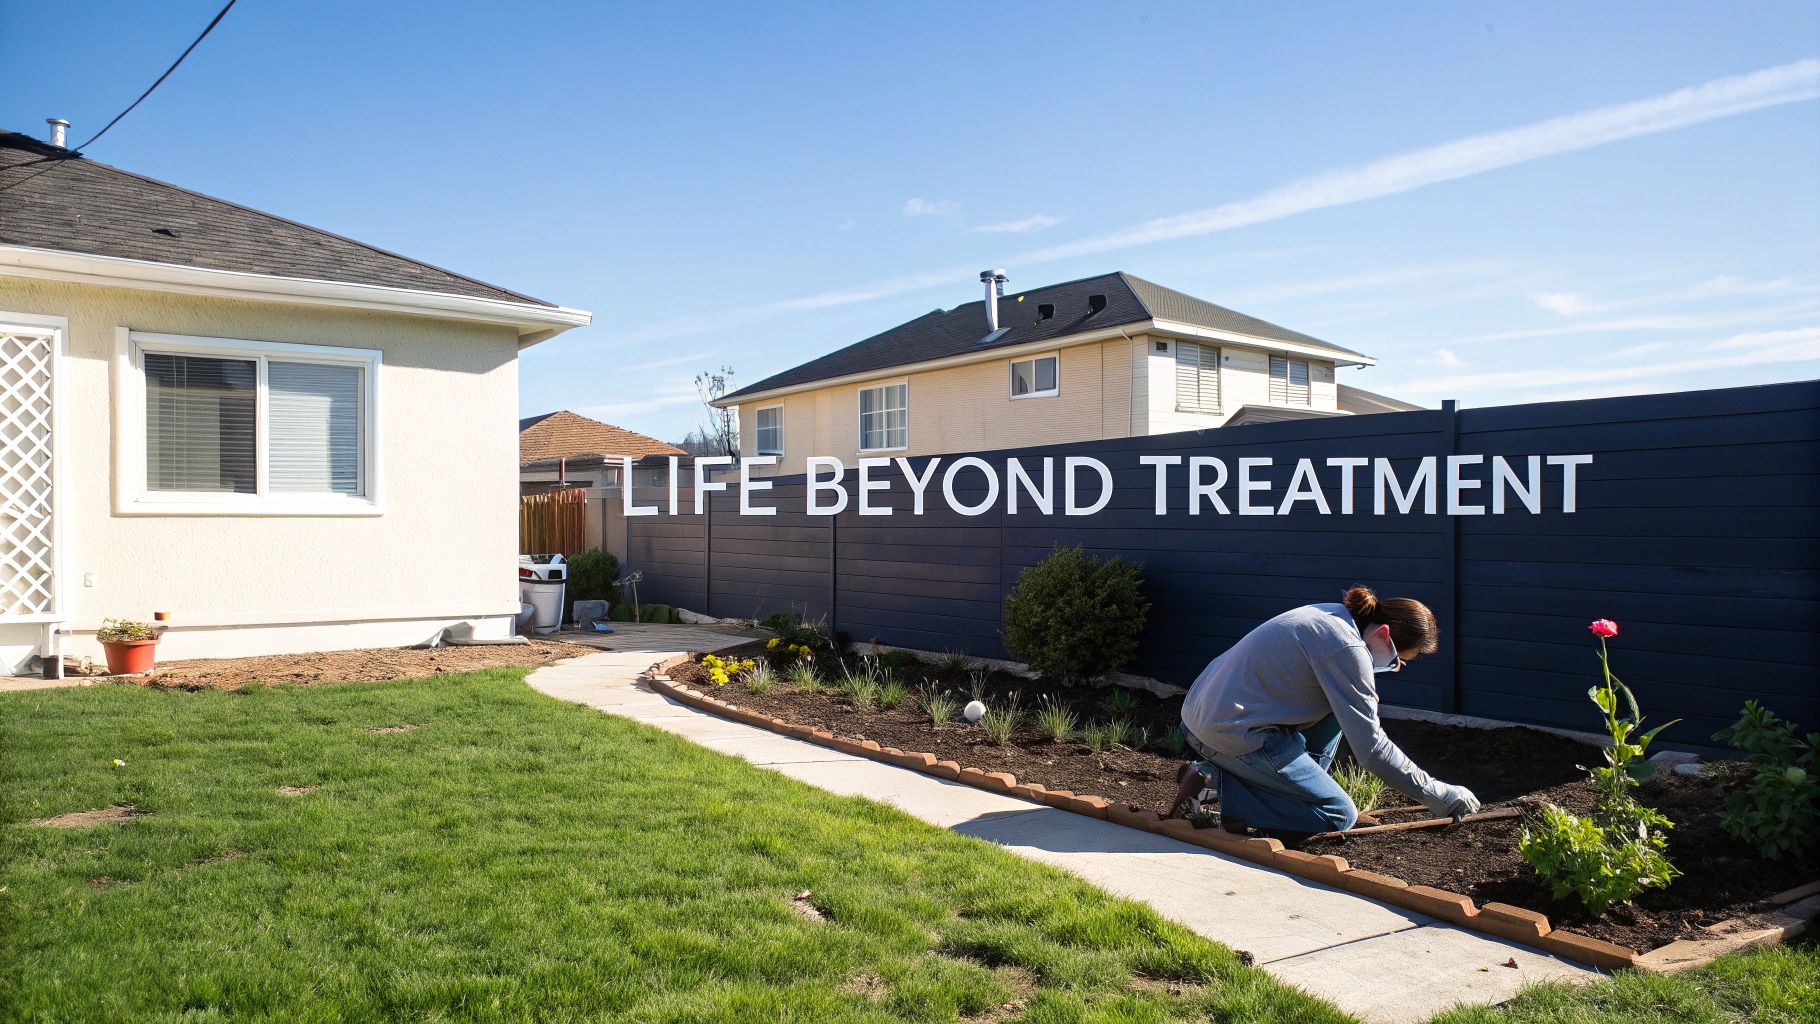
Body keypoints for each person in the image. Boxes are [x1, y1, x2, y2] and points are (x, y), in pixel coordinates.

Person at [1171, 585, 1480, 838]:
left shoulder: (1330, 616)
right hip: (1230, 732)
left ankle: (1294, 802)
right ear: (1384, 635)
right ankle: (1213, 793)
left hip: (1203, 717)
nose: (1395, 667)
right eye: (1399, 658)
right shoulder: (1347, 650)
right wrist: (1437, 793)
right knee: (1337, 814)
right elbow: (1372, 750)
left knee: (1337, 710)